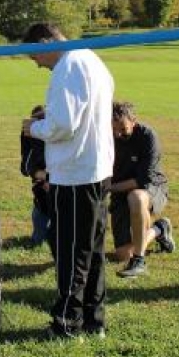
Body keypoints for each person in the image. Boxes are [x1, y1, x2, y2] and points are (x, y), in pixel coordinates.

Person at [21, 22, 113, 339]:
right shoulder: (89, 58)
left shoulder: (68, 65)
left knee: (70, 251)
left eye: (33, 55)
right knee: (92, 249)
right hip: (94, 169)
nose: (35, 64)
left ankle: (67, 323)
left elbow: (64, 126)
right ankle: (93, 320)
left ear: (44, 43)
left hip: (76, 175)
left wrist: (32, 128)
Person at [110, 101, 175, 278]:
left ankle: (139, 261)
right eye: (113, 129)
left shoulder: (148, 137)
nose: (117, 134)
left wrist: (108, 187)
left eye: (122, 129)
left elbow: (142, 180)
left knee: (136, 197)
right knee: (123, 255)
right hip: (119, 193)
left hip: (152, 188)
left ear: (134, 121)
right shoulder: (106, 137)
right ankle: (160, 229)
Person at [20, 104, 52, 249]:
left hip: (62, 190)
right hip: (42, 195)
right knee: (38, 240)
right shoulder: (31, 139)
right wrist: (44, 177)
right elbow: (26, 168)